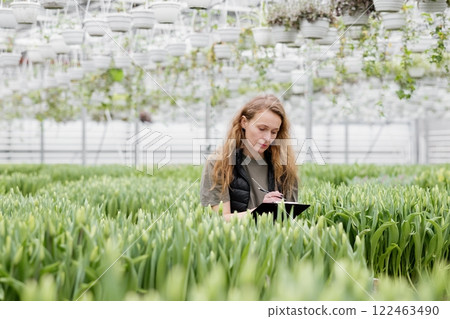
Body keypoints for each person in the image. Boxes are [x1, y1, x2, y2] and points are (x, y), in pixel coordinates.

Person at [200, 94, 298, 221]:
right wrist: (262, 210)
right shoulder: (218, 162)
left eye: (274, 132)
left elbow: (290, 217)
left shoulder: (284, 164)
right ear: (244, 122)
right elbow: (219, 219)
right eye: (262, 129)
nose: (268, 138)